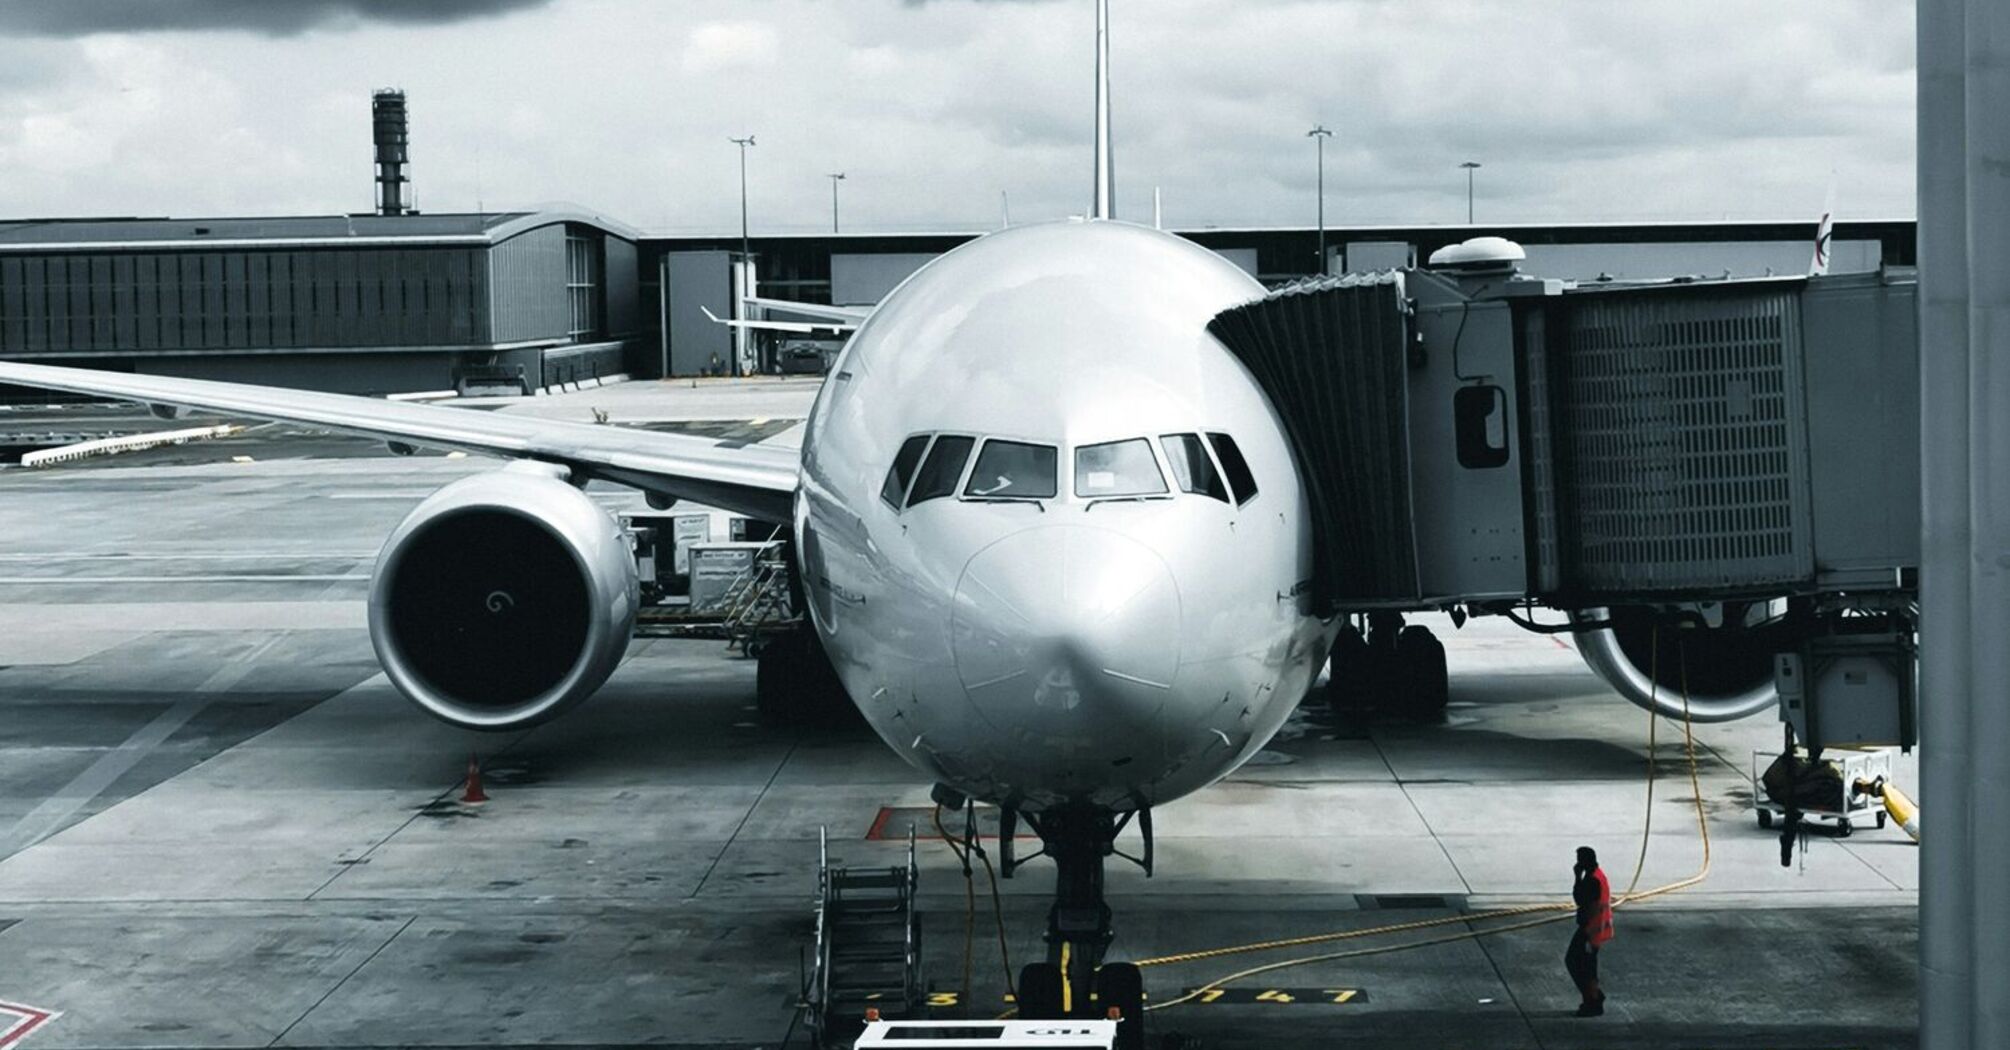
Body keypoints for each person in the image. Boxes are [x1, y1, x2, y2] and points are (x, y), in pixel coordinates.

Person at [1566, 845, 1613, 1017]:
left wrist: (1577, 878)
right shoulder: (1598, 875)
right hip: (1597, 927)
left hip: (1590, 930)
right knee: (1586, 965)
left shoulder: (1591, 880)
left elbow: (1581, 900)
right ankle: (1593, 997)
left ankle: (1592, 1000)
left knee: (1578, 963)